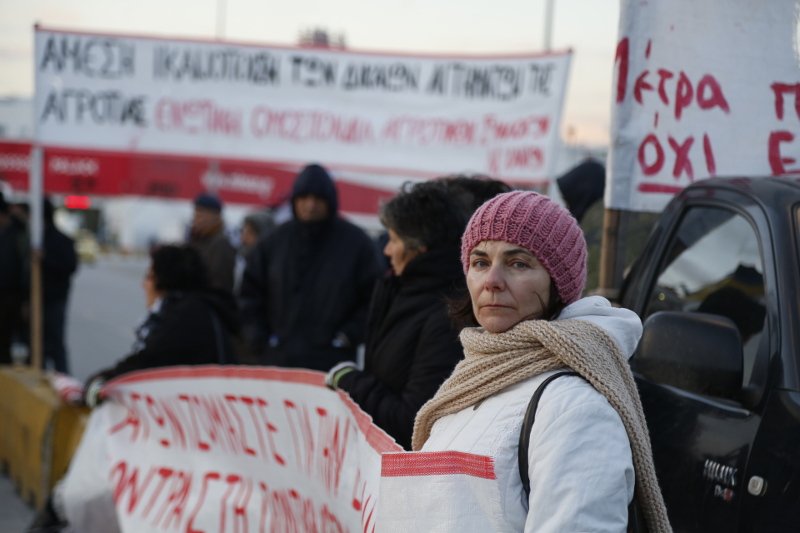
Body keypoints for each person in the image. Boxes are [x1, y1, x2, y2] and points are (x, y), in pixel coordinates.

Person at [408, 191, 671, 532]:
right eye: (480, 262)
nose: (492, 282)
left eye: (519, 264)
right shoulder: (474, 378)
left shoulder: (575, 407)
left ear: (558, 282)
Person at [325, 180, 467, 449]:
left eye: (393, 239)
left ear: (419, 247)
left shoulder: (446, 315)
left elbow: (412, 421)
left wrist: (351, 382)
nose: (386, 249)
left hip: (405, 471)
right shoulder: (397, 288)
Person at [239, 163, 382, 371]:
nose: (310, 205)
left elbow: (374, 297)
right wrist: (259, 338)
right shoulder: (273, 242)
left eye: (318, 199)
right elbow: (249, 294)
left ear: (330, 201)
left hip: (332, 366)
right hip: (277, 363)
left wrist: (347, 336)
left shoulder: (356, 243)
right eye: (303, 198)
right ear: (294, 201)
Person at [82, 244, 240, 406]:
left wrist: (104, 381)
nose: (143, 285)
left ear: (165, 280)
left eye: (150, 277)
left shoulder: (187, 316)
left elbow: (149, 361)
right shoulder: (199, 308)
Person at [42, 198, 78, 374]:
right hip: (37, 300)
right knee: (38, 343)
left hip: (55, 299)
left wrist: (44, 259)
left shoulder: (61, 240)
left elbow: (70, 266)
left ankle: (64, 379)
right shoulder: (35, 238)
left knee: (55, 342)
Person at [187, 192, 237, 293]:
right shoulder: (197, 240)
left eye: (200, 215)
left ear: (215, 217)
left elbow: (220, 286)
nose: (195, 219)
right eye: (195, 214)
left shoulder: (221, 244)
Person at [0, 192, 27, 364]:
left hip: (10, 299)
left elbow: (23, 271)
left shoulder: (18, 235)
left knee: (5, 343)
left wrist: (25, 300)